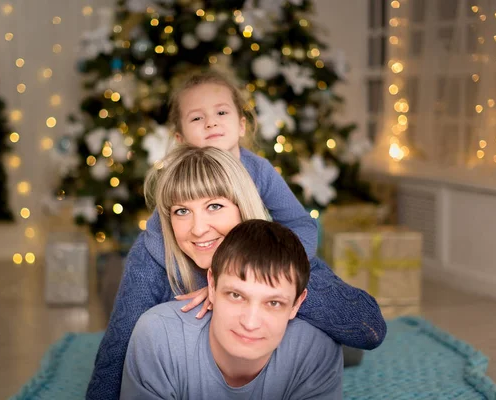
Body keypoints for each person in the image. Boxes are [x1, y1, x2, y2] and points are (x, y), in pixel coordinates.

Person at [86, 71, 387, 400]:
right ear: (180, 137)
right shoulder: (155, 253)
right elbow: (118, 344)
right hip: (193, 357)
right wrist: (212, 286)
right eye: (182, 211)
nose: (199, 227)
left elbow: (368, 328)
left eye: (215, 206)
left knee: (326, 340)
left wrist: (271, 285)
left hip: (291, 350)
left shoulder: (262, 194)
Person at [121, 219, 343, 399]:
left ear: (297, 303)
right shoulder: (158, 334)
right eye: (236, 295)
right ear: (212, 285)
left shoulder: (317, 348)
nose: (250, 322)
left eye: (273, 303)